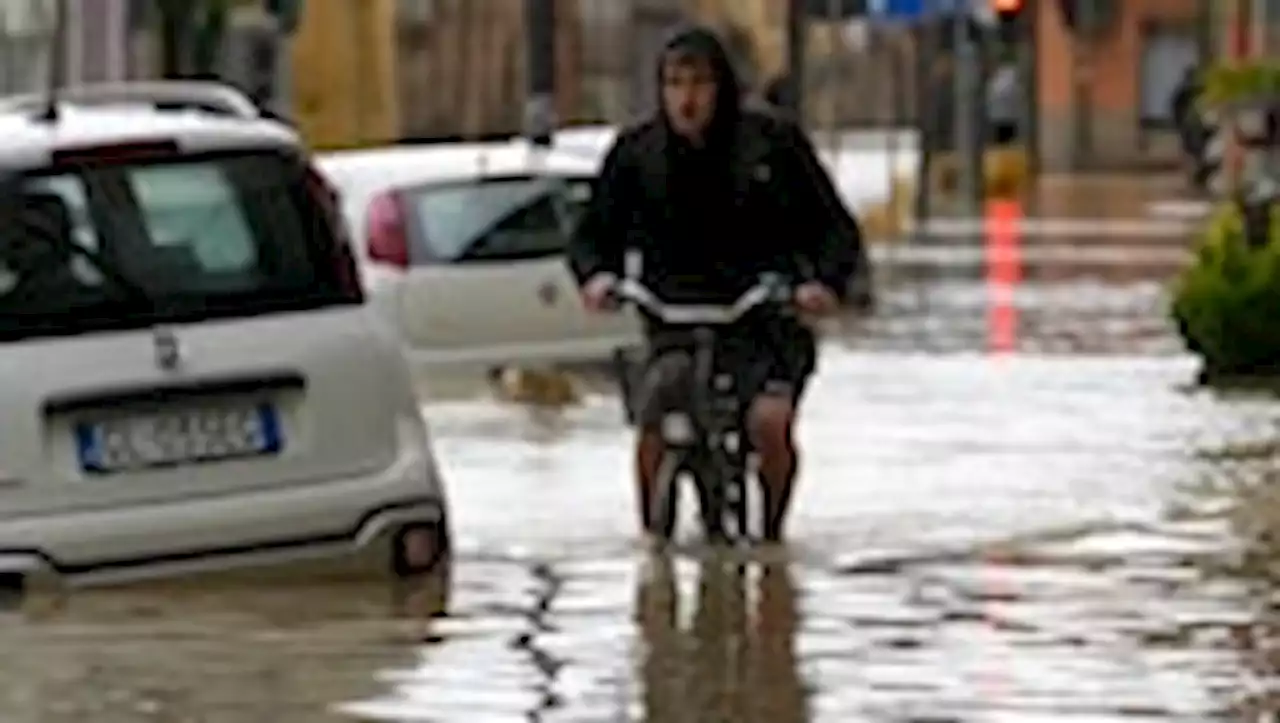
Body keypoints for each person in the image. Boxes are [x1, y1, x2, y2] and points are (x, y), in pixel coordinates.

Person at [566, 25, 866, 543]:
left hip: (765, 322)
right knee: (654, 422)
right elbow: (593, 234)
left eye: (699, 83)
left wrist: (822, 284)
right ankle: (652, 539)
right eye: (675, 83)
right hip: (673, 322)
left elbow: (834, 229)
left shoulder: (771, 146)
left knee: (769, 424)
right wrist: (597, 278)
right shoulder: (638, 154)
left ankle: (772, 533)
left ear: (721, 86)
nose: (687, 98)